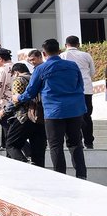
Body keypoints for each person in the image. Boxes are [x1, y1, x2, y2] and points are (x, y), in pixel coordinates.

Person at [16, 38, 88, 179]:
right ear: (59, 51)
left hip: (54, 111)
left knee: (56, 146)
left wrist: (18, 98)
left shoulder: (41, 69)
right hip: (75, 109)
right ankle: (82, 175)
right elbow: (81, 85)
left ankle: (60, 177)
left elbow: (30, 92)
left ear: (43, 53)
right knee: (76, 144)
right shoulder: (73, 66)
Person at [63, 35, 96, 150]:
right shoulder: (86, 55)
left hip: (69, 90)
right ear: (78, 44)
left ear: (66, 45)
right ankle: (89, 142)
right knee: (87, 116)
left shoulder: (63, 56)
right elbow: (92, 72)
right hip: (86, 89)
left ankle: (77, 141)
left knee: (72, 116)